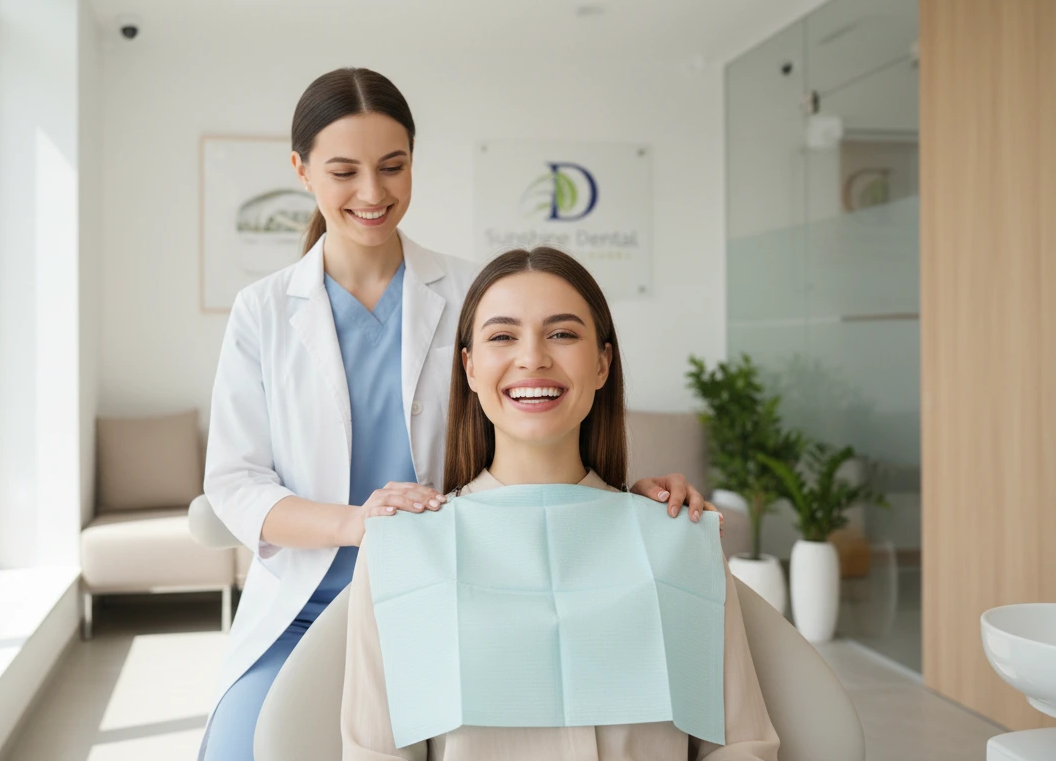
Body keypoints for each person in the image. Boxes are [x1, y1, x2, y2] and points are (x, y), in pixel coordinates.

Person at [199, 68, 715, 761]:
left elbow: (544, 417)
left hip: (462, 593)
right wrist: (360, 525)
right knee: (246, 748)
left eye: (393, 166)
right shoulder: (263, 311)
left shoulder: (477, 289)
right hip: (307, 608)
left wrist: (633, 501)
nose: (374, 193)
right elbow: (234, 484)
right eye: (345, 171)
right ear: (301, 170)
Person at [341, 247, 778, 760]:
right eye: (502, 336)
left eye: (563, 334)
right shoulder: (406, 548)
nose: (533, 358)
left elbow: (740, 746)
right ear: (470, 366)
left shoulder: (677, 536)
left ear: (602, 364)